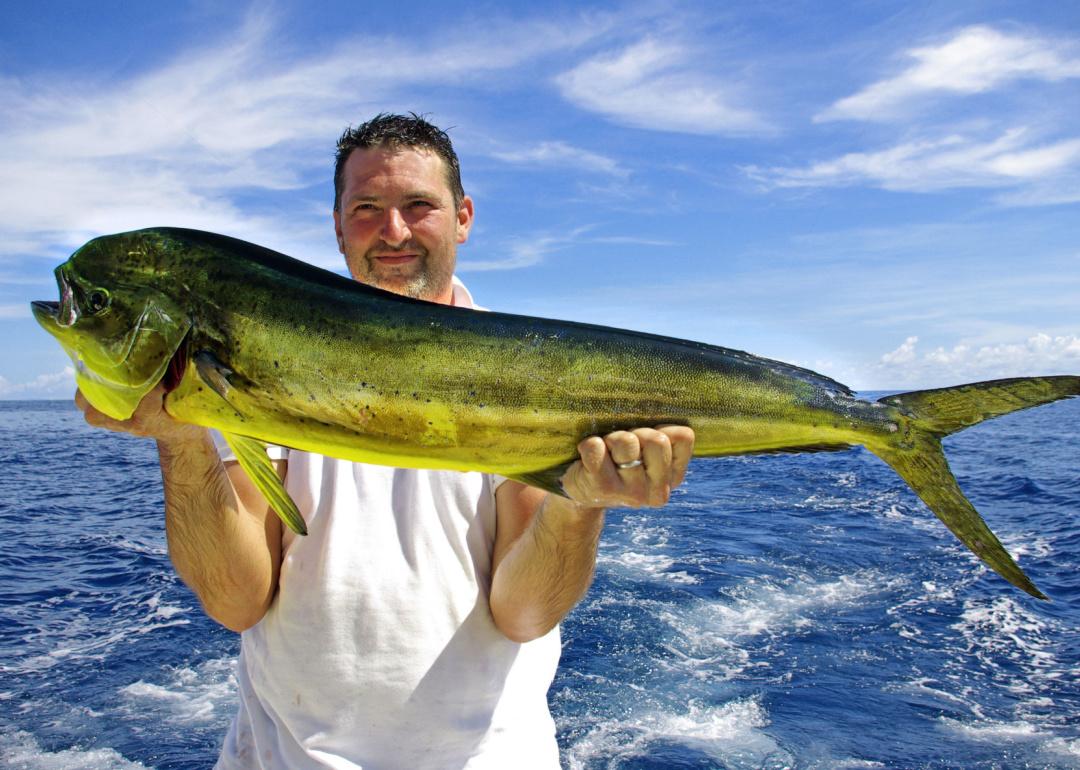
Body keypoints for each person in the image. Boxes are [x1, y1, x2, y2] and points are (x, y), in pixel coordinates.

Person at [77, 113, 696, 769]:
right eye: (367, 207)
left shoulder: (524, 375)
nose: (393, 230)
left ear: (462, 218)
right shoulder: (256, 356)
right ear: (338, 224)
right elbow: (237, 599)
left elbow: (523, 613)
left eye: (417, 206)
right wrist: (183, 444)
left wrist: (580, 504)